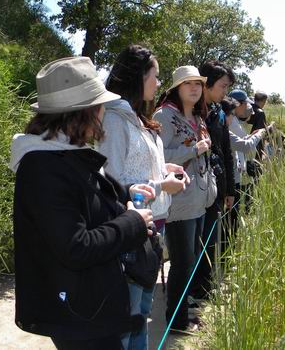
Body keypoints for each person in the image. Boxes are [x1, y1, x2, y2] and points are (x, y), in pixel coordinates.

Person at [9, 57, 156, 350]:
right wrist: (133, 222)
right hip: (77, 316)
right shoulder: (43, 166)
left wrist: (125, 193)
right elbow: (76, 246)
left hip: (87, 306)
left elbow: (83, 202)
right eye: (99, 106)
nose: (103, 114)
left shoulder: (63, 153)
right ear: (84, 113)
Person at [99, 45, 189, 350]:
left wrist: (167, 168)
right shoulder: (113, 120)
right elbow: (109, 182)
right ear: (139, 77)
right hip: (131, 229)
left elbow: (136, 164)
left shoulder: (137, 117)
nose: (158, 83)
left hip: (153, 225)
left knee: (142, 311)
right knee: (129, 315)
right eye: (156, 76)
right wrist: (162, 185)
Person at [153, 66, 216, 334]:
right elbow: (158, 157)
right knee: (182, 263)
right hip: (179, 202)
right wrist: (193, 149)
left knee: (191, 261)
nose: (194, 88)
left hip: (200, 200)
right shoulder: (164, 115)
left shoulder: (199, 118)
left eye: (198, 84)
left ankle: (183, 310)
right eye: (187, 83)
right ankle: (176, 321)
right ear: (176, 88)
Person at [191, 60, 236, 301]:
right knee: (193, 241)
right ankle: (193, 288)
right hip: (193, 185)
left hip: (216, 184)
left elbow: (227, 151)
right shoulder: (190, 110)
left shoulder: (219, 112)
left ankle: (205, 286)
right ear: (206, 83)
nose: (224, 92)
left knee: (211, 236)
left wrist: (229, 189)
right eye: (222, 86)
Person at [227, 90, 268, 212]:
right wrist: (260, 133)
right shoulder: (232, 121)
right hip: (233, 169)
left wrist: (252, 135)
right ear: (239, 104)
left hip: (237, 166)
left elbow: (242, 138)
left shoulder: (235, 119)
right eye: (246, 104)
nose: (247, 108)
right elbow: (244, 144)